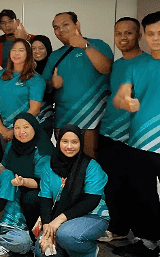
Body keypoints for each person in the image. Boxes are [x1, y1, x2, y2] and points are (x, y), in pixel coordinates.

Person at [113, 11, 160, 257]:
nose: (155, 39)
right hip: (138, 143)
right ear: (144, 36)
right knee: (142, 195)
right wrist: (125, 101)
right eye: (151, 34)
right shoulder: (138, 65)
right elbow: (120, 96)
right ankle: (148, 242)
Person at [95, 18, 146, 245]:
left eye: (128, 33)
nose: (123, 38)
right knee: (113, 184)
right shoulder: (116, 65)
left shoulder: (148, 64)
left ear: (139, 35)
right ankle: (118, 229)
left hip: (134, 137)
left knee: (137, 187)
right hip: (108, 132)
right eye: (118, 33)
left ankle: (146, 236)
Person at [35, 127, 109, 257]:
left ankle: (89, 253)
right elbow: (45, 199)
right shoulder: (49, 166)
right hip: (59, 215)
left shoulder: (91, 166)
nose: (69, 146)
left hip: (92, 215)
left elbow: (91, 201)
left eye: (74, 142)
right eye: (65, 141)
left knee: (66, 235)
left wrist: (58, 221)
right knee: (43, 254)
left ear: (81, 143)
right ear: (58, 142)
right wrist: (46, 228)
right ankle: (70, 247)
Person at [43, 12, 113, 158]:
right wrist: (52, 84)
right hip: (63, 119)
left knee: (91, 162)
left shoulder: (98, 45)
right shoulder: (55, 56)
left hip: (95, 119)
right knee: (66, 162)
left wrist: (85, 45)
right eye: (56, 27)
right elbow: (44, 86)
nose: (60, 30)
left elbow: (107, 68)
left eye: (65, 24)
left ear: (77, 25)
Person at [1, 113, 55, 240]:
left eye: (26, 127)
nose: (21, 132)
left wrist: (23, 182)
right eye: (17, 128)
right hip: (15, 185)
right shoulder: (11, 145)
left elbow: (42, 182)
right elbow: (4, 168)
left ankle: (32, 236)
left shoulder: (42, 149)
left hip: (38, 189)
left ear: (34, 128)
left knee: (30, 198)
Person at [0, 39, 45, 142]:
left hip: (26, 130)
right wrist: (0, 127)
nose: (16, 53)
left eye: (21, 50)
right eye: (14, 50)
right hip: (4, 129)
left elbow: (35, 109)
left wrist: (15, 130)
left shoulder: (36, 79)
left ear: (28, 54)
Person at [30, 35, 56, 137]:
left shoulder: (54, 67)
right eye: (33, 48)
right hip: (28, 112)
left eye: (41, 48)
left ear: (47, 49)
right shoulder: (26, 68)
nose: (37, 51)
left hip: (46, 114)